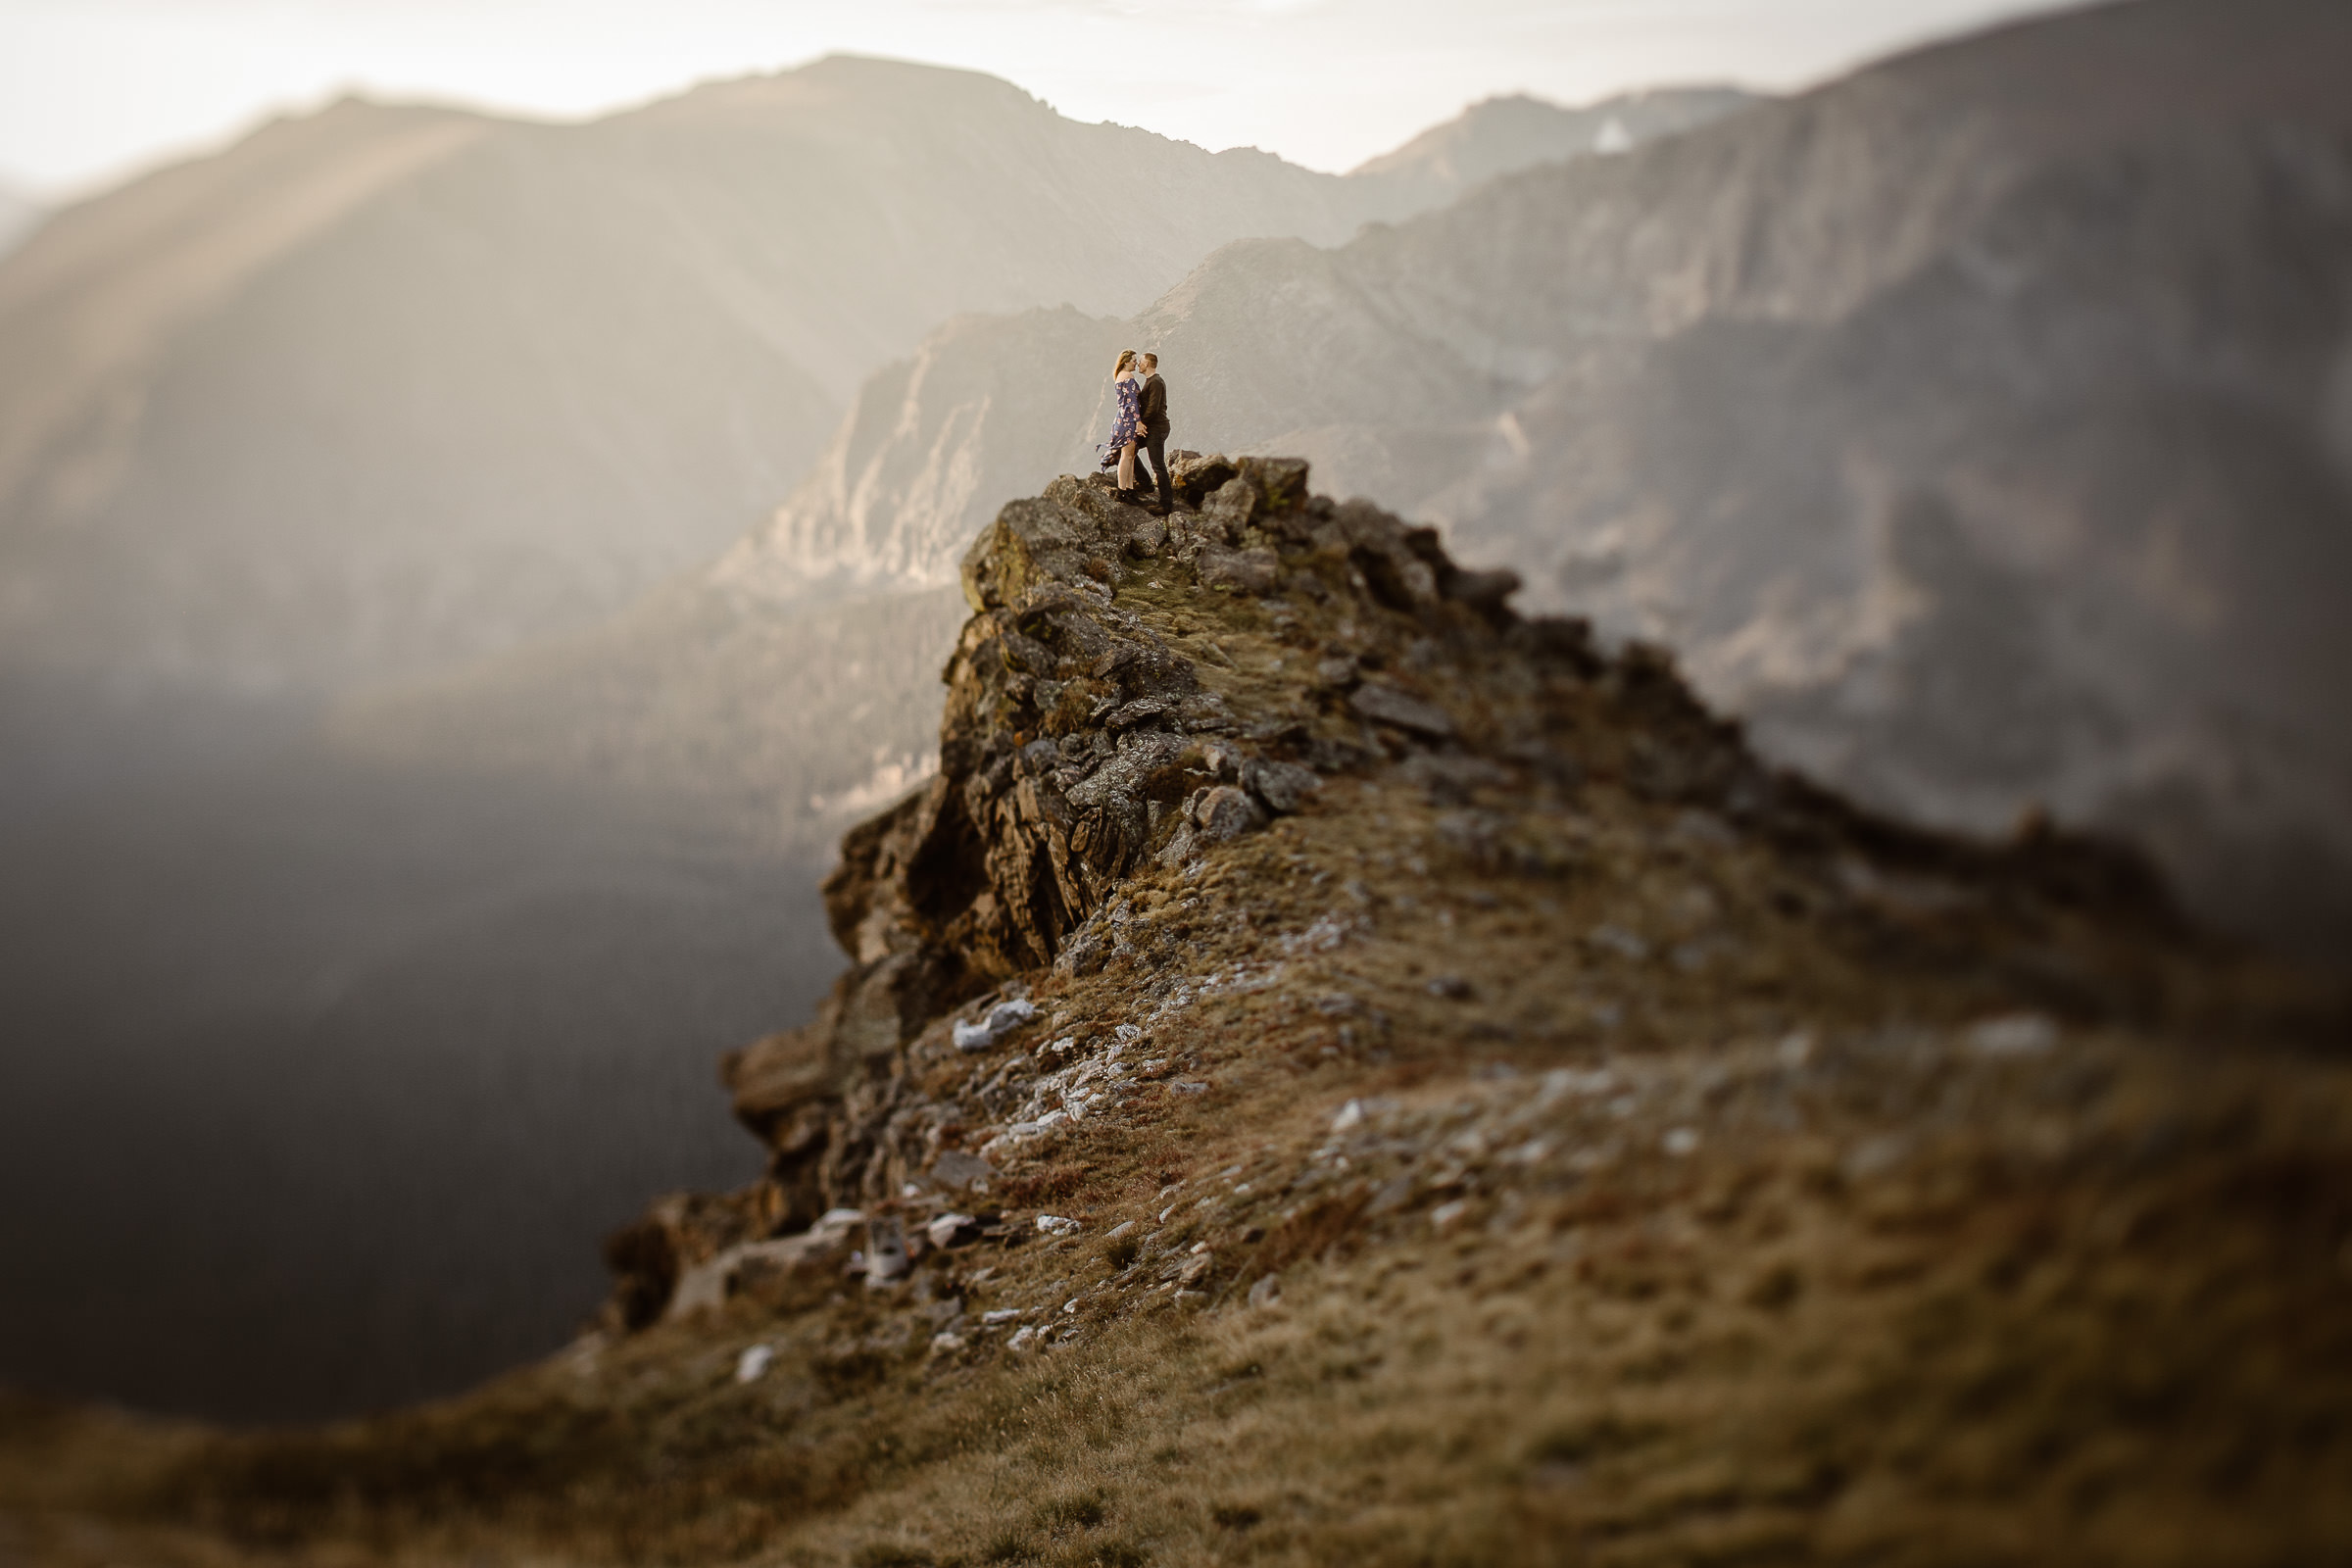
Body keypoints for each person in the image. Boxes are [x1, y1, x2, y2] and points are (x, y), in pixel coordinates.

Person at [1098, 350, 1143, 499]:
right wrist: (1138, 421)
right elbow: (1132, 403)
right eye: (1134, 360)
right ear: (1126, 361)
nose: (1136, 363)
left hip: (1122, 419)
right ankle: (1122, 490)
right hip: (1128, 420)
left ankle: (1128, 489)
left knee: (1130, 455)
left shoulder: (1119, 377)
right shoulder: (1128, 376)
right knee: (1127, 455)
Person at [1133, 351, 1173, 514]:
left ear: (1147, 364)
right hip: (1151, 428)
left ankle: (1166, 504)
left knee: (1158, 466)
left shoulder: (1155, 382)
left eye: (1140, 362)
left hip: (1156, 429)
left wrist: (1141, 423)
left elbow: (1153, 408)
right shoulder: (1151, 381)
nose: (1138, 364)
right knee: (1129, 448)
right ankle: (1146, 484)